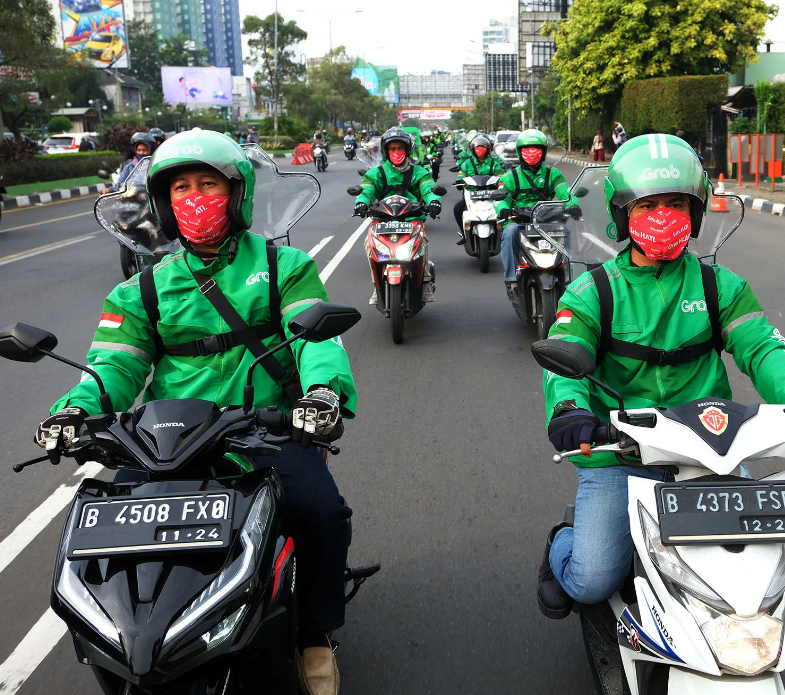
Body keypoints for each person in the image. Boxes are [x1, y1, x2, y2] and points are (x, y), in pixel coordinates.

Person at [34, 130, 355, 695]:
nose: (194, 197)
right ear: (162, 202)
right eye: (180, 186)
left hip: (265, 431)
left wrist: (322, 395)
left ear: (237, 193)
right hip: (167, 440)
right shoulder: (144, 289)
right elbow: (114, 366)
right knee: (106, 537)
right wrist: (74, 413)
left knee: (322, 512)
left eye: (208, 183)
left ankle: (315, 636)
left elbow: (317, 341)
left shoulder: (286, 267)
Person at [534, 134, 785, 619]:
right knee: (591, 579)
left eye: (677, 203)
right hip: (619, 454)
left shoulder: (720, 286)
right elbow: (568, 359)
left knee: (756, 581)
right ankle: (561, 544)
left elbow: (763, 348)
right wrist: (570, 409)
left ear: (696, 210)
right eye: (649, 205)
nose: (664, 215)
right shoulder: (591, 292)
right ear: (622, 213)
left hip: (711, 450)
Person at [353, 126, 442, 305]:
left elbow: (428, 189)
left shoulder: (419, 172)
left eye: (400, 148)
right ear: (386, 151)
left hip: (411, 220)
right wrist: (361, 203)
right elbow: (367, 191)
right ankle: (376, 285)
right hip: (383, 221)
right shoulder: (376, 173)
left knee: (422, 242)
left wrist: (434, 201)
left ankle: (424, 283)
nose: (396, 152)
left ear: (408, 150)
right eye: (392, 149)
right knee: (368, 244)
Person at [493, 129, 579, 309]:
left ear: (544, 151)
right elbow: (501, 199)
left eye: (536, 149)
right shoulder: (510, 176)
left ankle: (569, 276)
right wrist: (503, 209)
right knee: (508, 232)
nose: (531, 153)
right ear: (519, 152)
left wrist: (574, 205)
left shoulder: (553, 174)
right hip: (519, 221)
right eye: (527, 149)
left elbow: (566, 193)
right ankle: (512, 281)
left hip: (547, 220)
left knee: (566, 231)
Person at [451, 133, 504, 243]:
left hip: (491, 195)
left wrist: (502, 183)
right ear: (473, 149)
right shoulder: (467, 163)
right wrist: (459, 180)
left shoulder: (495, 163)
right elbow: (461, 174)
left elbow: (502, 176)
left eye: (483, 148)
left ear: (488, 149)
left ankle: (502, 233)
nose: (480, 150)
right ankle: (464, 235)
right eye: (478, 148)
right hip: (471, 194)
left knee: (504, 209)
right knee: (457, 208)